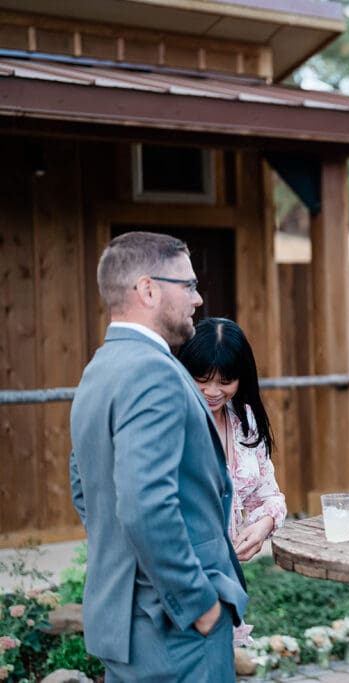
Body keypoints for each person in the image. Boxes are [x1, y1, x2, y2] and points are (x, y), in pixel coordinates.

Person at [69, 231, 247, 681]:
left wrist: (125, 557)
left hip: (126, 620)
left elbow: (82, 481)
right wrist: (199, 605)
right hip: (175, 631)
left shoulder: (102, 366)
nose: (199, 298)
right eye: (187, 285)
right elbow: (146, 506)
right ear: (148, 289)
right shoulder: (153, 372)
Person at [177, 318, 286, 645]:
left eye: (225, 381)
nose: (213, 392)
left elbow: (271, 497)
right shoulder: (173, 420)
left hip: (228, 579)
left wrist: (264, 524)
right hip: (183, 580)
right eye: (202, 379)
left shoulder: (246, 422)